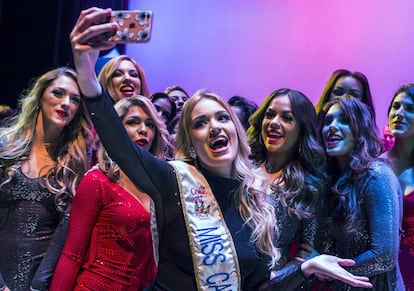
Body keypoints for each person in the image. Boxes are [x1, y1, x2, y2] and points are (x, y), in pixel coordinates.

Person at [69, 7, 373, 290]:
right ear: (190, 140)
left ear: (237, 132)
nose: (214, 126)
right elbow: (120, 146)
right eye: (200, 122)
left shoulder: (256, 200)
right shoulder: (171, 181)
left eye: (222, 117)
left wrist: (307, 269)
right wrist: (85, 69)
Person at [51, 95, 170, 290]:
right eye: (133, 122)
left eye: (150, 124)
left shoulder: (164, 185)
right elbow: (72, 254)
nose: (143, 130)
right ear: (114, 130)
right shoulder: (98, 180)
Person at [0, 67, 94, 291]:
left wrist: (38, 287)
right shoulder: (5, 146)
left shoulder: (75, 160)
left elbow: (64, 232)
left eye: (74, 99)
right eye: (58, 93)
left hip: (40, 279)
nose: (66, 104)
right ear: (41, 95)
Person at [318, 96, 403, 290]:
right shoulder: (331, 180)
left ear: (360, 131)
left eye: (344, 120)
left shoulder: (378, 176)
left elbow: (384, 256)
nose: (332, 127)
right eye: (327, 121)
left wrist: (329, 271)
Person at [247, 88, 328, 290]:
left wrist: (273, 280)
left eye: (287, 118)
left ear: (302, 130)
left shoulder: (309, 188)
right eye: (270, 114)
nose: (274, 122)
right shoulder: (240, 169)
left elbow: (307, 258)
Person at [381, 83, 414, 290]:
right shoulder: (374, 166)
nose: (399, 113)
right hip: (383, 274)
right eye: (395, 107)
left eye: (409, 109)